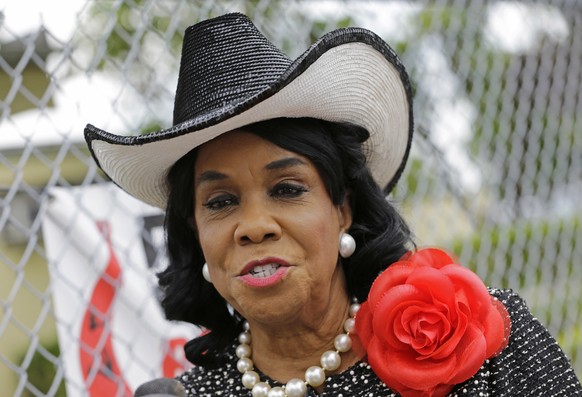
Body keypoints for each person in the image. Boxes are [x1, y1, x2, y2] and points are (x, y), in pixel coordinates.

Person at [84, 12, 582, 397]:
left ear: (343, 208)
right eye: (220, 201)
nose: (253, 226)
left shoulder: (483, 342)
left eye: (287, 189)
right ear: (196, 232)